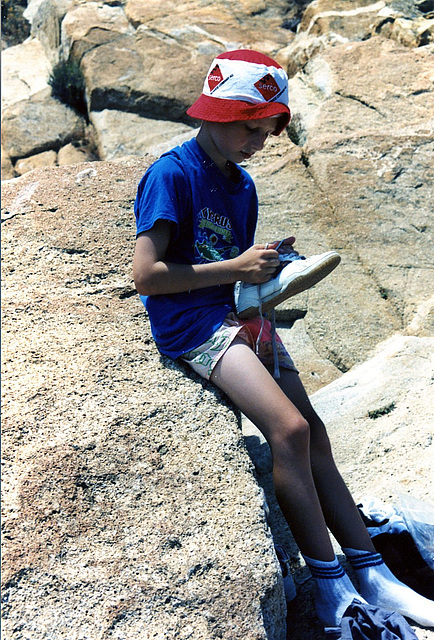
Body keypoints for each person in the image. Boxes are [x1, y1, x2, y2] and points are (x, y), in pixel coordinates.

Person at [133, 49, 434, 630]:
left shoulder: (240, 186)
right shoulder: (171, 174)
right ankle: (330, 587)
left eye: (268, 132)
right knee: (289, 430)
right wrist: (239, 270)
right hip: (193, 325)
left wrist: (262, 282)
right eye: (250, 127)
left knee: (315, 431)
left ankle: (375, 574)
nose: (258, 142)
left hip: (239, 314)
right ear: (215, 113)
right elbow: (147, 275)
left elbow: (226, 263)